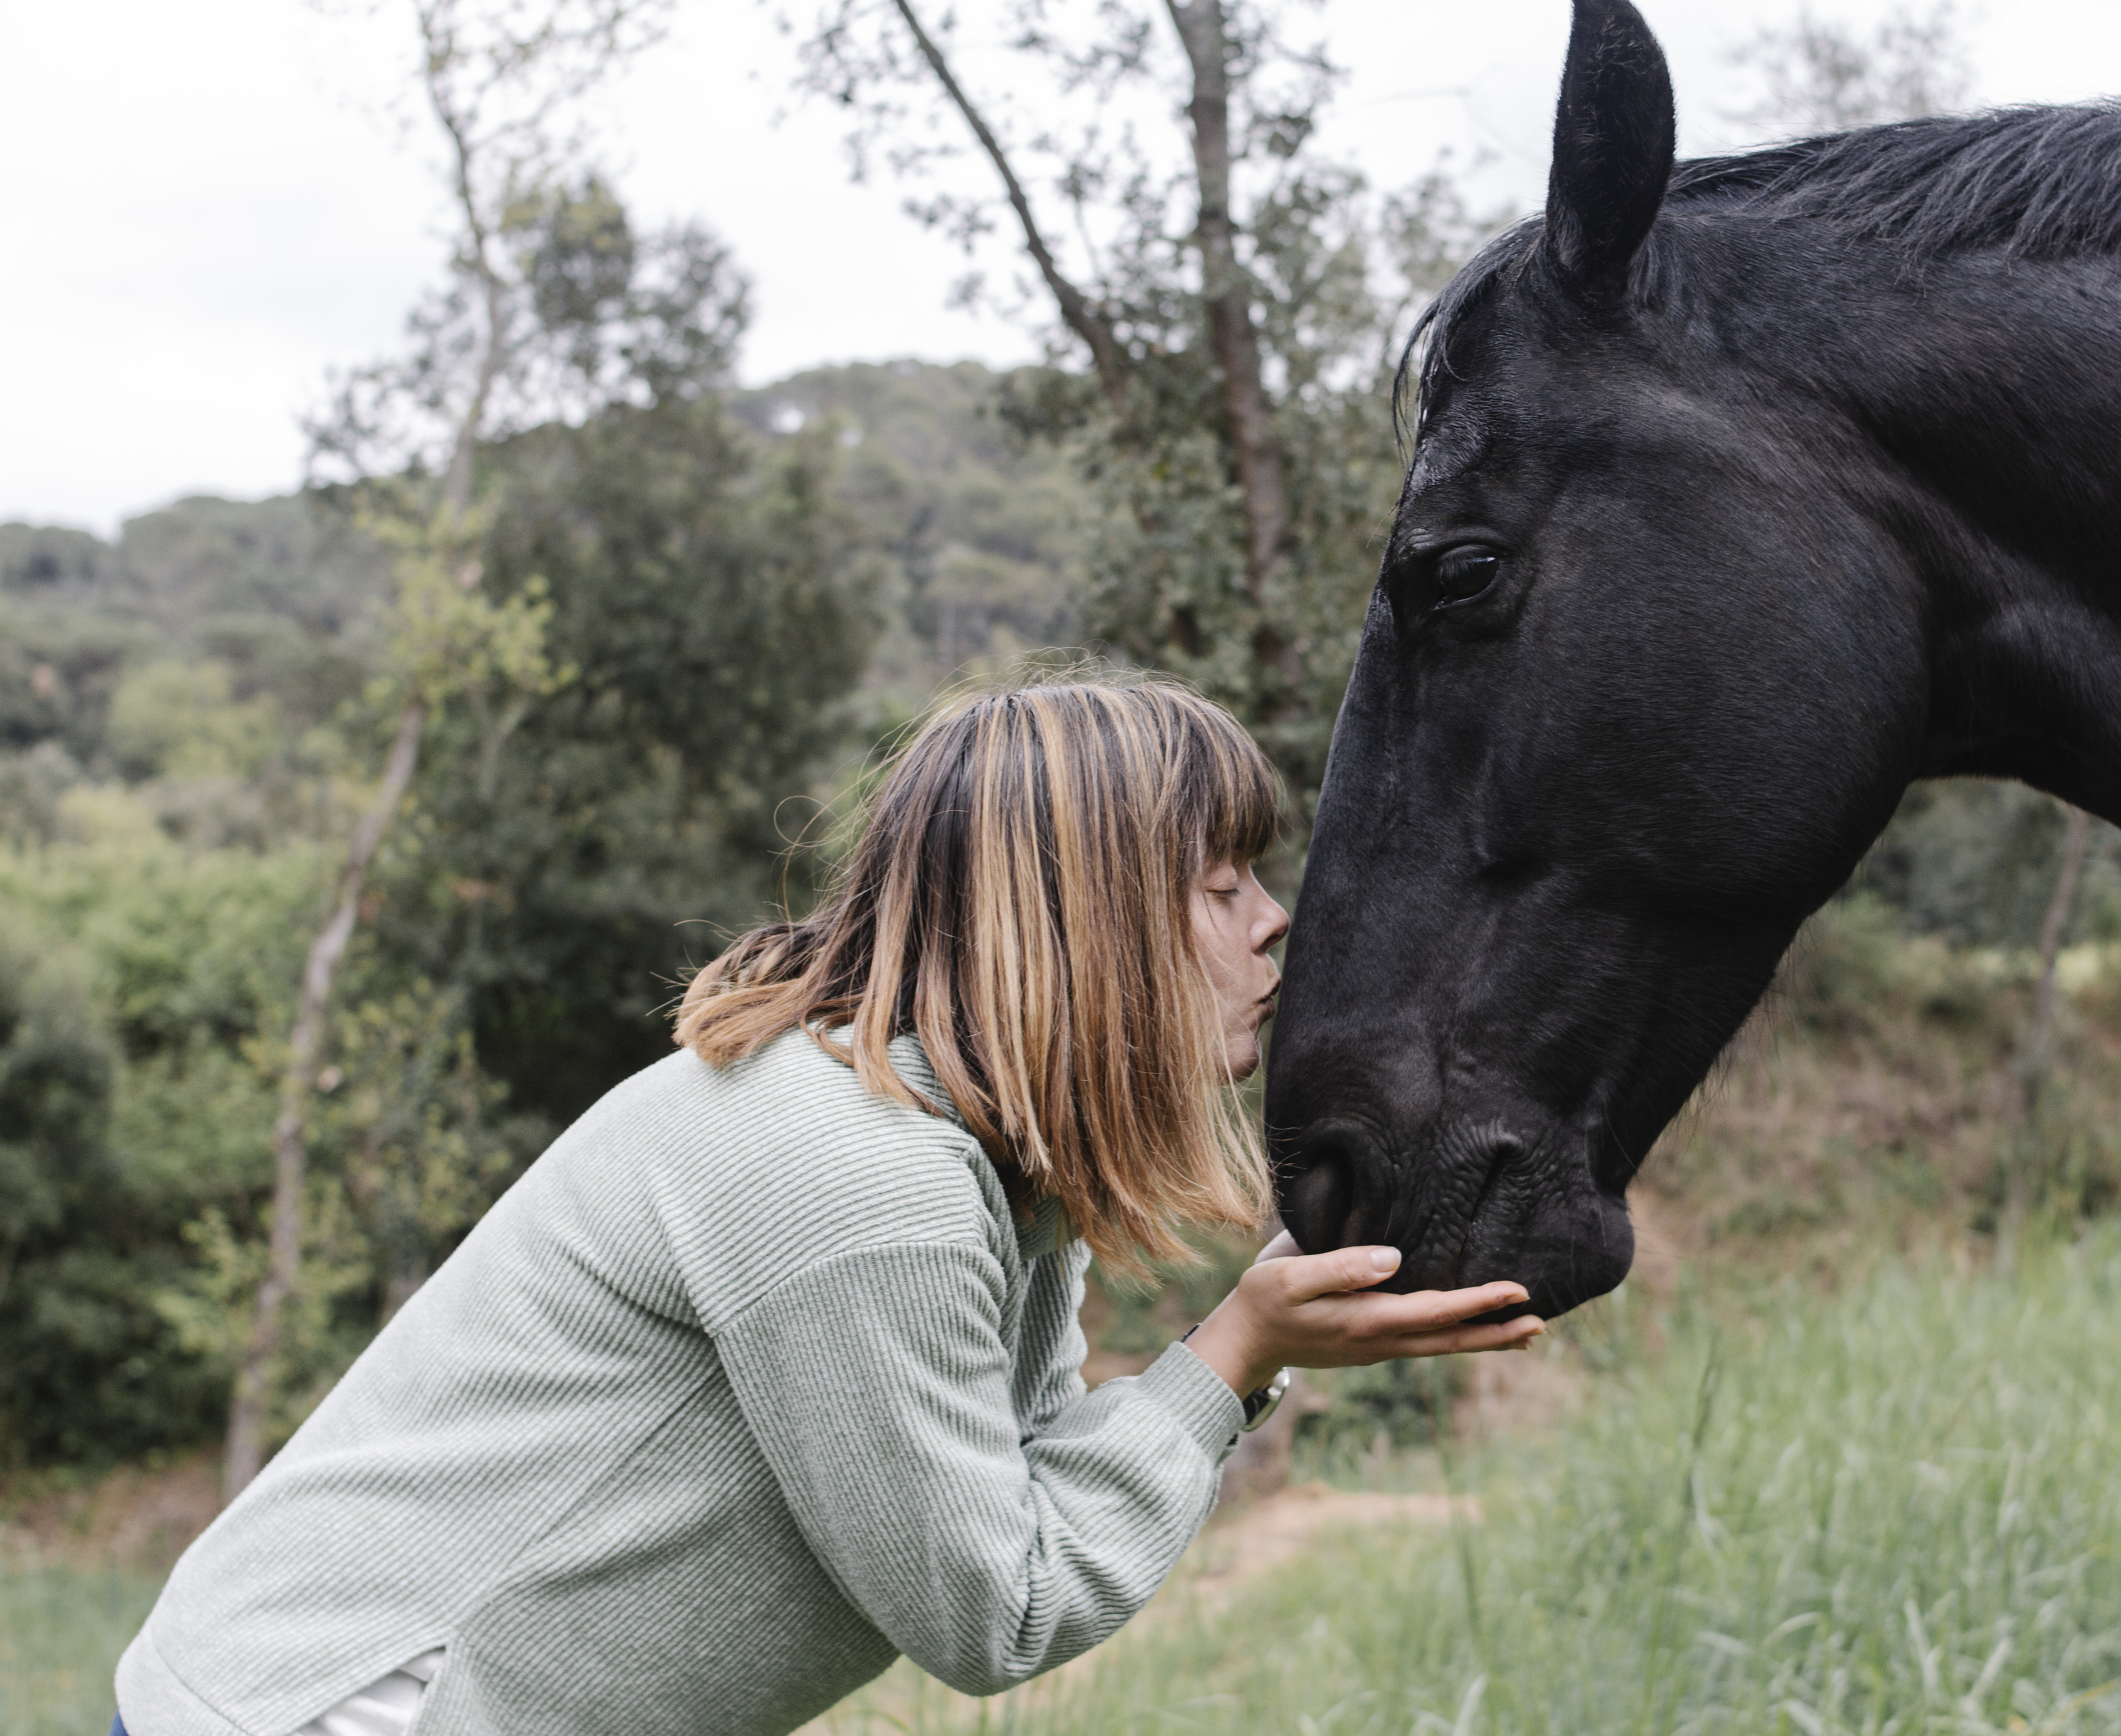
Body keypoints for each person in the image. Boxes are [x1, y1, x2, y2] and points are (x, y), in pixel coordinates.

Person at [113, 676, 1544, 1736]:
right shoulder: (858, 1173)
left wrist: (1255, 1335)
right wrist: (1230, 1355)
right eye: (1218, 880)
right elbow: (1000, 1604)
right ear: (1087, 917)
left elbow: (1022, 1471)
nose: (1272, 916)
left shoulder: (964, 1151)